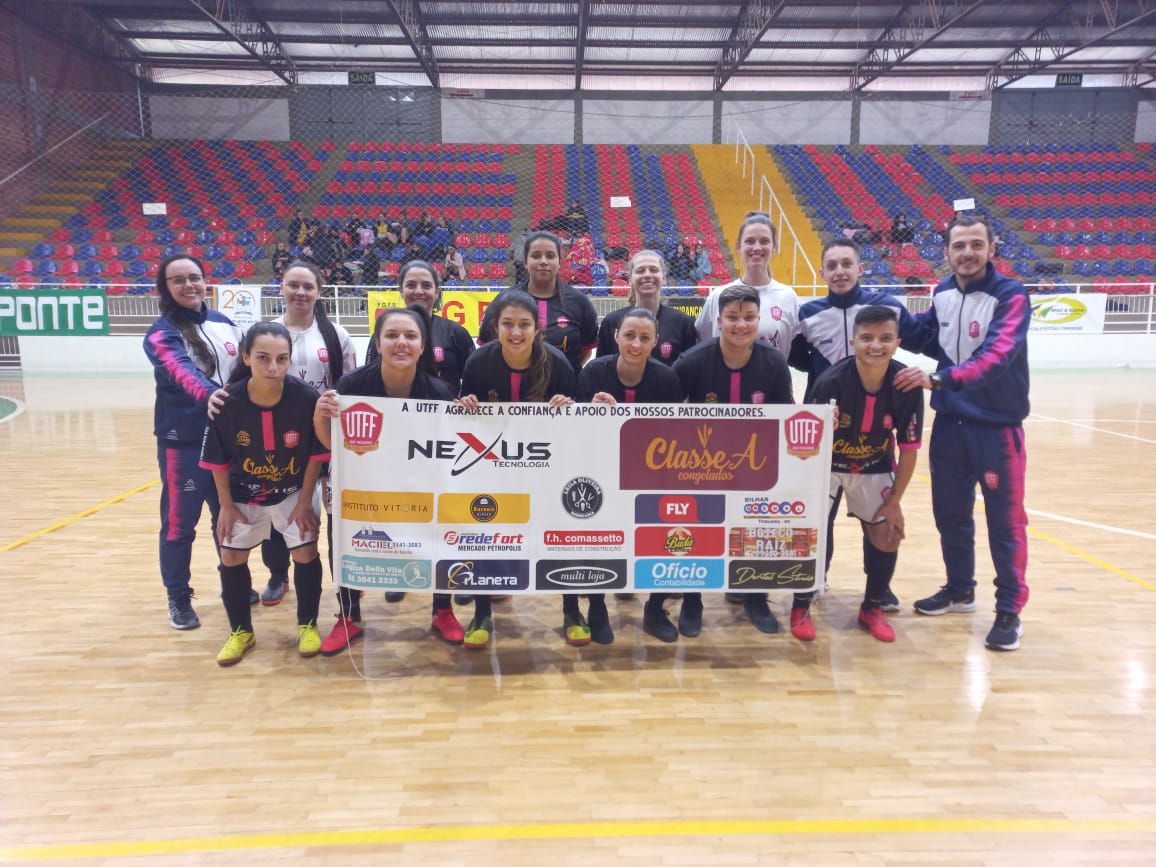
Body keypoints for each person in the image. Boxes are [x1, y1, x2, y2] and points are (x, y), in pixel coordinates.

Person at [893, 215, 1031, 652]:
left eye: (975, 244)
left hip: (996, 428)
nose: (967, 253)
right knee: (950, 516)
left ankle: (1008, 610)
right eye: (959, 246)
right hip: (950, 424)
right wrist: (885, 309)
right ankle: (960, 589)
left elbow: (996, 357)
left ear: (992, 249)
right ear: (947, 252)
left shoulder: (1011, 296)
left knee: (1005, 524)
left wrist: (938, 380)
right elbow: (929, 338)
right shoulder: (943, 292)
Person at [313, 307, 466, 655]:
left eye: (410, 336)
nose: (401, 343)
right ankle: (348, 615)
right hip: (365, 486)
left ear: (422, 346)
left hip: (418, 486)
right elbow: (331, 443)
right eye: (392, 335)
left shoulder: (439, 392)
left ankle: (443, 610)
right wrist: (320, 413)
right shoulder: (352, 386)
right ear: (378, 343)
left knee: (444, 526)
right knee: (342, 533)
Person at [787, 238, 914, 626]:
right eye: (832, 265)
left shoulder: (886, 311)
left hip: (873, 447)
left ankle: (876, 595)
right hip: (827, 433)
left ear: (860, 268)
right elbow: (795, 356)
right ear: (822, 272)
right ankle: (812, 585)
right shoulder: (809, 314)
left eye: (847, 264)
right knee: (814, 523)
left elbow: (910, 447)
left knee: (882, 524)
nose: (840, 271)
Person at [663, 285, 795, 639]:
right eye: (733, 317)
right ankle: (692, 601)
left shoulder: (774, 362)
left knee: (755, 530)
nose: (741, 324)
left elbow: (786, 417)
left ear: (758, 320)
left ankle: (756, 599)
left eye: (749, 317)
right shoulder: (692, 361)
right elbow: (665, 414)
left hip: (754, 466)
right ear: (718, 320)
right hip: (699, 465)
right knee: (696, 531)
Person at [200, 322, 328, 666]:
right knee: (231, 558)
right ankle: (241, 631)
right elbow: (217, 460)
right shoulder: (226, 402)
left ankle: (308, 625)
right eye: (263, 358)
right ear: (246, 357)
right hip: (242, 494)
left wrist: (305, 502)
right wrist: (225, 506)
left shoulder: (306, 399)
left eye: (281, 359)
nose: (273, 367)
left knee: (305, 552)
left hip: (293, 492)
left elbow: (316, 456)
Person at [795, 306, 924, 643]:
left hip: (874, 465)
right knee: (807, 532)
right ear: (853, 342)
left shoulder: (906, 384)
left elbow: (909, 450)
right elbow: (805, 445)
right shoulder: (830, 382)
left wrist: (894, 502)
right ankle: (800, 605)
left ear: (897, 342)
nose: (875, 346)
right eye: (867, 338)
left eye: (885, 338)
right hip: (826, 466)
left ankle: (872, 607)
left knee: (890, 532)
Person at [458, 290, 576, 650]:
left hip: (545, 467)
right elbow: (466, 417)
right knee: (485, 536)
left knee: (561, 539)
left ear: (537, 328)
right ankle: (481, 613)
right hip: (493, 467)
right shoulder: (479, 362)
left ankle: (572, 611)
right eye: (508, 324)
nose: (516, 332)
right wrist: (466, 403)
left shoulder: (557, 363)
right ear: (496, 327)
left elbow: (578, 423)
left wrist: (568, 405)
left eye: (524, 324)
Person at [144, 255, 245, 630]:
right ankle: (178, 596)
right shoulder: (160, 333)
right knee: (179, 524)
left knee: (227, 516)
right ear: (165, 288)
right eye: (178, 280)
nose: (189, 285)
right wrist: (209, 395)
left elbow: (245, 369)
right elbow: (180, 370)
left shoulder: (225, 324)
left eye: (194, 277)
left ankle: (230, 579)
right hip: (183, 443)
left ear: (205, 281)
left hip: (228, 441)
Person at [248, 261, 357, 606]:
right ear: (281, 288)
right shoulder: (266, 333)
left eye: (308, 286)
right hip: (280, 440)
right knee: (275, 507)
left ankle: (344, 579)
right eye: (293, 285)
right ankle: (278, 574)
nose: (300, 292)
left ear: (319, 292)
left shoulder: (336, 335)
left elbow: (349, 387)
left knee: (333, 513)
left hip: (326, 437)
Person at [579, 307, 685, 644]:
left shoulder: (667, 379)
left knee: (660, 538)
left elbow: (674, 434)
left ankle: (655, 608)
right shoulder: (593, 372)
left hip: (650, 472)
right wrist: (591, 412)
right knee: (598, 540)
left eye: (644, 337)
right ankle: (597, 607)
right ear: (616, 337)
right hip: (601, 469)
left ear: (655, 341)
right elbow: (573, 430)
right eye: (629, 336)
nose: (636, 344)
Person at [477, 231, 597, 378]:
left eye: (550, 256)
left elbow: (586, 350)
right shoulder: (503, 301)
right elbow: (486, 349)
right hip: (514, 389)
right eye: (536, 256)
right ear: (525, 262)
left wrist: (562, 374)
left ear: (560, 262)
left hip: (566, 388)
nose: (543, 261)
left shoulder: (580, 302)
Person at [695, 212, 799, 357]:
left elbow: (794, 347)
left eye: (764, 241)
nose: (757, 247)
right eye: (750, 241)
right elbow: (702, 344)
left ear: (774, 247)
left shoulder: (788, 297)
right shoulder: (718, 296)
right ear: (739, 247)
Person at [365, 260, 475, 391]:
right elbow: (369, 380)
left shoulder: (456, 333)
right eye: (411, 285)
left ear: (437, 291)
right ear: (400, 290)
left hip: (445, 404)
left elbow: (474, 382)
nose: (418, 291)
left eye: (426, 286)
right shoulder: (384, 333)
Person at [596, 249, 697, 366]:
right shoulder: (611, 322)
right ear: (630, 280)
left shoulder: (683, 323)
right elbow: (602, 370)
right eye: (640, 271)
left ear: (664, 278)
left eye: (653, 270)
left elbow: (690, 371)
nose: (647, 275)